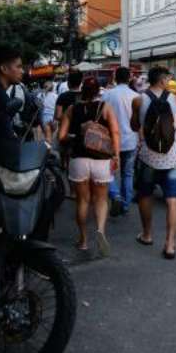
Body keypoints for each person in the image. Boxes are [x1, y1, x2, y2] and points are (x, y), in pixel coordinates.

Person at [58, 77, 120, 255]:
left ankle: (83, 240)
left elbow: (61, 136)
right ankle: (100, 230)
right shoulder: (105, 107)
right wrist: (116, 155)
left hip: (78, 160)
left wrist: (76, 137)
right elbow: (115, 132)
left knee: (82, 201)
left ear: (82, 91)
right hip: (101, 160)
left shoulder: (72, 109)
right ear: (98, 91)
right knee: (101, 200)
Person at [131, 67, 176, 259]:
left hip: (148, 157)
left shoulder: (138, 100)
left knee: (145, 195)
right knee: (172, 199)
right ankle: (170, 244)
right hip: (173, 158)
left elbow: (134, 126)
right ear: (163, 81)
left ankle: (147, 234)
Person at [102, 67, 139, 217]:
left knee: (107, 172)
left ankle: (115, 194)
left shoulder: (108, 95)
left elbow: (103, 116)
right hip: (131, 140)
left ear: (115, 78)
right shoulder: (136, 96)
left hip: (111, 140)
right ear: (129, 78)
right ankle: (125, 205)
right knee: (128, 174)